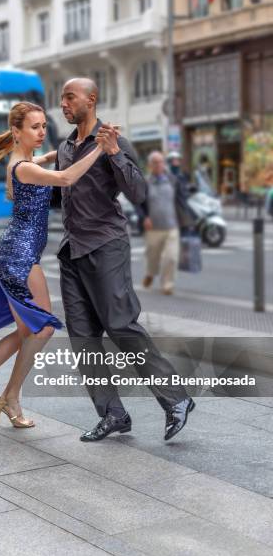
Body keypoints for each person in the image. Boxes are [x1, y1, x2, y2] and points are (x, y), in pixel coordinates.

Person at [0, 101, 104, 428]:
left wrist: (53, 152)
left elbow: (46, 162)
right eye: (35, 127)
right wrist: (99, 148)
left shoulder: (22, 162)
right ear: (16, 132)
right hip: (19, 255)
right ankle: (8, 396)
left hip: (19, 252)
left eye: (44, 126)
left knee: (26, 332)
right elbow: (66, 177)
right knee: (41, 328)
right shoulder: (23, 168)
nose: (42, 131)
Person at [56, 78, 195, 442]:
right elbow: (62, 194)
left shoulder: (111, 139)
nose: (64, 104)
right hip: (72, 250)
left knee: (121, 326)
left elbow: (138, 192)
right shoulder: (65, 146)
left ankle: (176, 399)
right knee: (82, 337)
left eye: (70, 97)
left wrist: (115, 152)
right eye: (62, 99)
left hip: (106, 244)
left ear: (92, 99)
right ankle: (113, 414)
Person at [140, 151, 193, 295]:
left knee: (171, 257)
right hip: (153, 228)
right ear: (150, 165)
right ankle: (150, 274)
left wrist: (188, 221)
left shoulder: (172, 180)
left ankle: (167, 285)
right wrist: (145, 217)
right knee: (152, 257)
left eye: (161, 162)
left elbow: (182, 201)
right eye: (155, 162)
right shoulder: (145, 182)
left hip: (171, 226)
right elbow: (139, 203)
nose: (159, 165)